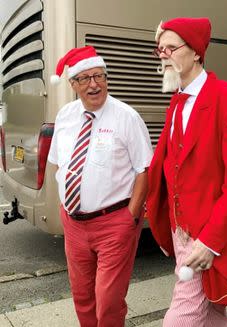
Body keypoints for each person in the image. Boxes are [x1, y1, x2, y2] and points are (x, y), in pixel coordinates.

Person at [146, 17, 227, 326]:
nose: (163, 54)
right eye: (159, 49)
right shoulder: (176, 103)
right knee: (211, 313)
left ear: (195, 52)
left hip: (207, 235)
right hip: (181, 230)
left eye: (170, 47)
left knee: (179, 319)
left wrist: (210, 242)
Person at [47, 46, 153, 327]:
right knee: (82, 296)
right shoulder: (65, 116)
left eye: (99, 76)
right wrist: (67, 206)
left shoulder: (126, 117)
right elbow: (60, 164)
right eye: (84, 78)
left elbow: (144, 170)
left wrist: (130, 217)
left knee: (108, 300)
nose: (94, 84)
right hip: (74, 224)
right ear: (73, 84)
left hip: (114, 223)